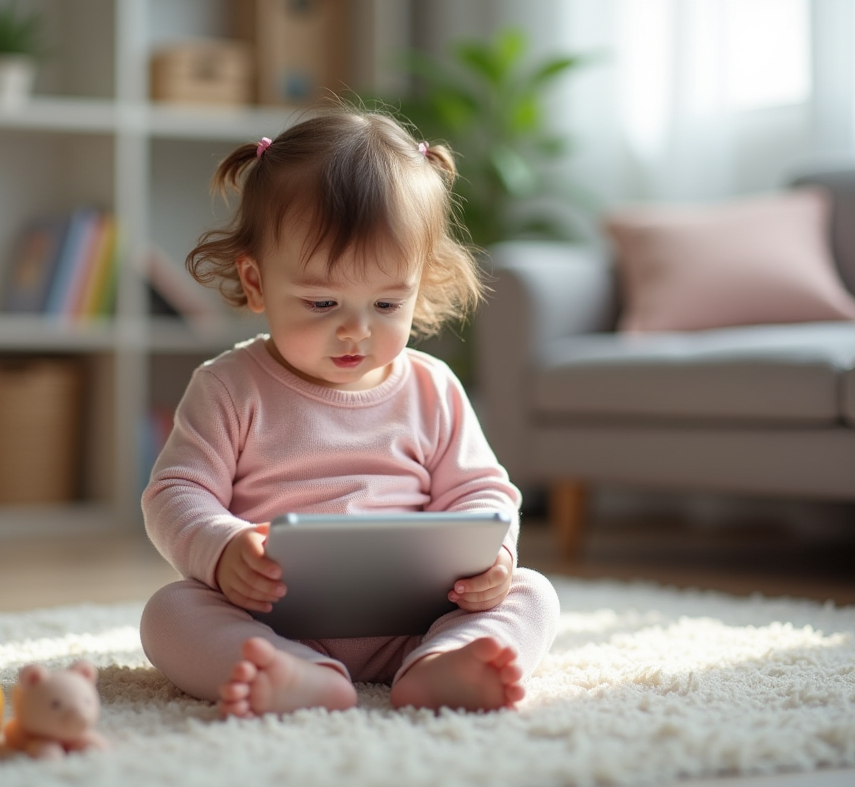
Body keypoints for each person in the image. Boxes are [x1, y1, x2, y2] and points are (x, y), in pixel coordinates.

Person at [140, 105, 559, 718]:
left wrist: (491, 561)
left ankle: (444, 664)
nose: (355, 331)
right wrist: (224, 550)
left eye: (388, 304)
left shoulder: (432, 387)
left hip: (416, 620)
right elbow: (175, 492)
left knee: (533, 593)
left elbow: (482, 491)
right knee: (169, 613)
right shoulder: (229, 386)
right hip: (269, 615)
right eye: (323, 301)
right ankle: (291, 672)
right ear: (255, 282)